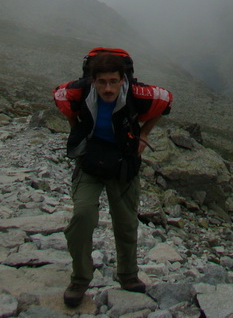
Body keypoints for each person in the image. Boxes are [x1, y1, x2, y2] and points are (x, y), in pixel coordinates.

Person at [53, 48, 173, 307]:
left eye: (113, 82)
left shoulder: (137, 94)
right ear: (92, 81)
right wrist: (75, 128)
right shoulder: (78, 92)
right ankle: (80, 279)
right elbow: (60, 97)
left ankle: (128, 276)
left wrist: (145, 133)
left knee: (126, 222)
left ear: (123, 80)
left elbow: (166, 100)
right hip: (90, 163)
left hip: (123, 164)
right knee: (82, 215)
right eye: (101, 82)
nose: (108, 89)